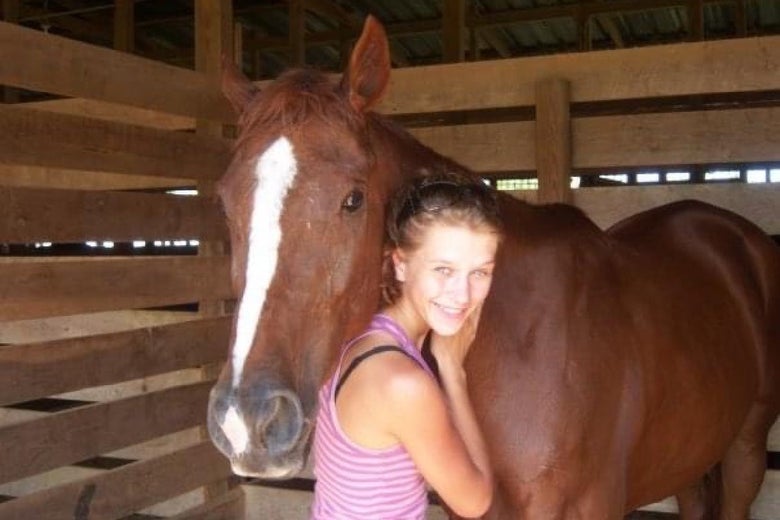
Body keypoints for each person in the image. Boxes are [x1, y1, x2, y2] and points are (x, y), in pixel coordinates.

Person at [311, 171, 503, 519]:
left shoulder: (359, 332)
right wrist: (453, 373)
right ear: (400, 264)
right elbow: (474, 502)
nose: (463, 295)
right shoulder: (403, 385)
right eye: (444, 270)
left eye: (480, 272)